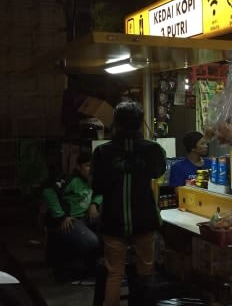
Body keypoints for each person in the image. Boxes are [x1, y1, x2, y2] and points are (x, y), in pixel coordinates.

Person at [91, 101, 167, 306]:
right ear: (141, 123)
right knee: (145, 272)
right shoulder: (153, 149)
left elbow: (96, 186)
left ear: (116, 123)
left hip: (113, 220)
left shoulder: (102, 152)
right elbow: (158, 172)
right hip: (144, 219)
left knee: (114, 273)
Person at [42, 149, 101, 282]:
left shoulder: (94, 179)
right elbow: (48, 191)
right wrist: (61, 216)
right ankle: (80, 271)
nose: (90, 169)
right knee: (91, 241)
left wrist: (94, 204)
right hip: (70, 220)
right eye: (87, 166)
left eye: (93, 166)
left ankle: (92, 269)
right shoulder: (69, 180)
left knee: (111, 229)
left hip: (86, 218)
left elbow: (101, 192)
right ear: (78, 167)